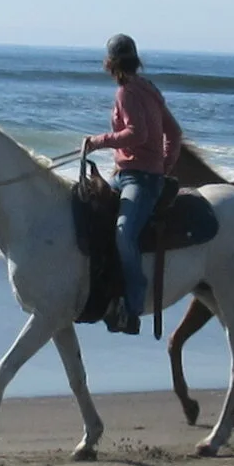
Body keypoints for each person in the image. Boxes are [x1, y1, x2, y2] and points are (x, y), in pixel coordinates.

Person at [80, 33, 183, 334]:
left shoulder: (127, 92)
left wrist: (98, 141)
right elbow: (174, 133)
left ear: (109, 63)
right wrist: (165, 164)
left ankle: (133, 303)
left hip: (140, 179)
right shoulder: (148, 88)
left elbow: (136, 134)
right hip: (126, 175)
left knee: (124, 233)